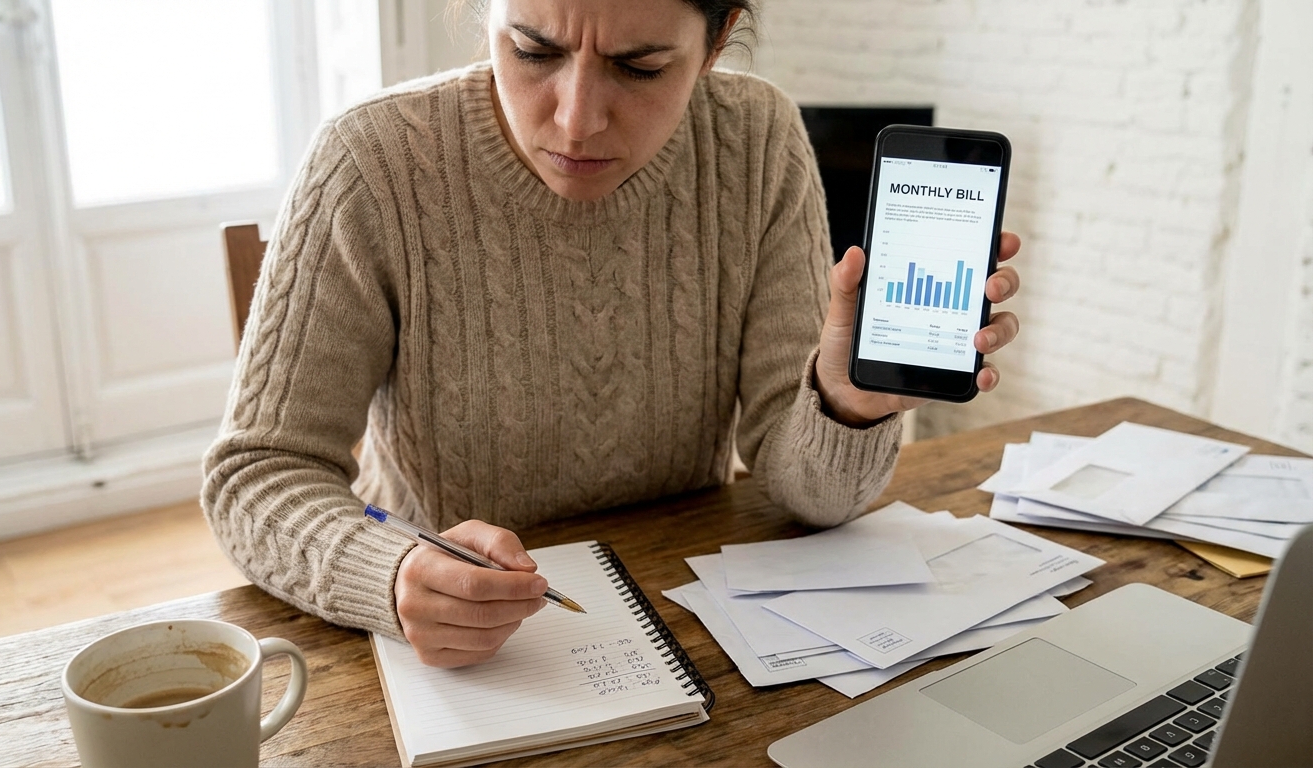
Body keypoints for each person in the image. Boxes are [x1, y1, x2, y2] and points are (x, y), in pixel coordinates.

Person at [202, 0, 1022, 669]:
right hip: (451, 654)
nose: (577, 118)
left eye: (640, 68)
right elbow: (257, 473)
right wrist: (386, 574)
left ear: (716, 44)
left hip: (690, 624)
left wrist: (846, 407)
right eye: (531, 50)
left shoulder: (755, 138)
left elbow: (813, 495)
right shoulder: (370, 161)